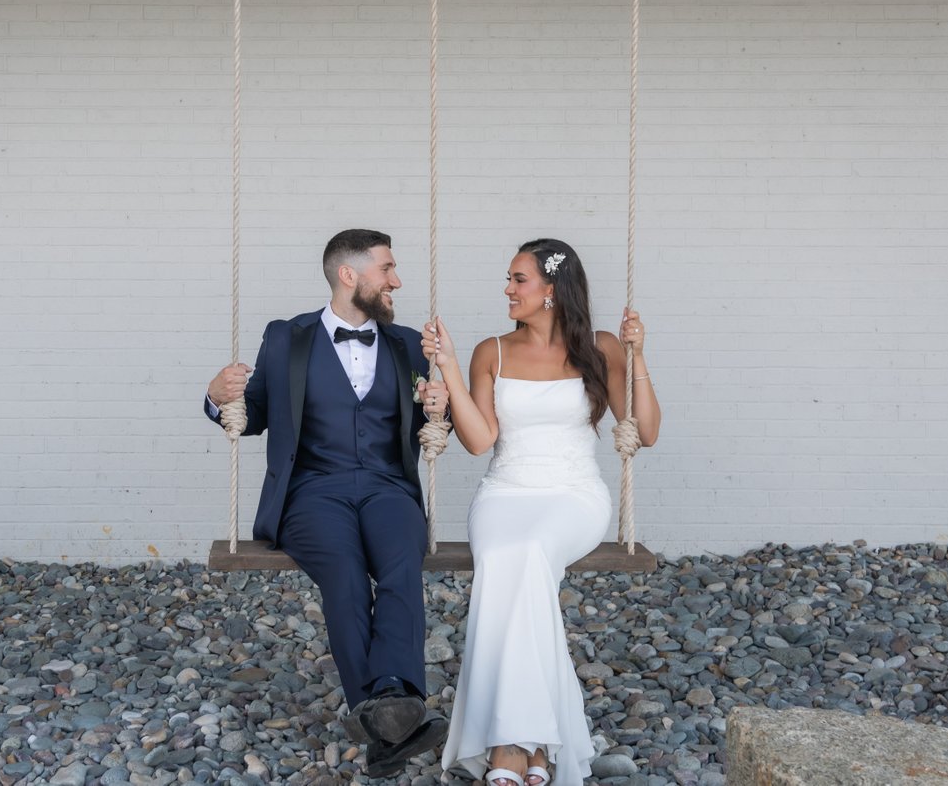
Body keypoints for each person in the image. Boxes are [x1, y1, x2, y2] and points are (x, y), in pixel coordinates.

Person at [204, 228, 453, 779]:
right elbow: (257, 415)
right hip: (313, 491)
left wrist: (442, 409)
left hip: (389, 486)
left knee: (399, 566)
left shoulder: (409, 343)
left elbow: (433, 420)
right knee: (342, 573)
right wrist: (217, 397)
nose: (397, 281)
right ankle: (395, 713)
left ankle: (386, 701)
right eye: (387, 269)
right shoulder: (286, 337)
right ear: (350, 275)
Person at [421, 238, 661, 786]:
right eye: (509, 279)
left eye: (518, 279)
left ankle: (509, 743)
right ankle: (539, 747)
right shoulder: (492, 352)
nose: (507, 289)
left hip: (573, 495)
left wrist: (638, 355)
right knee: (509, 555)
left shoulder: (601, 347)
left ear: (551, 290)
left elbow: (645, 431)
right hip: (505, 492)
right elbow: (480, 442)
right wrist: (452, 368)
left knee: (525, 554)